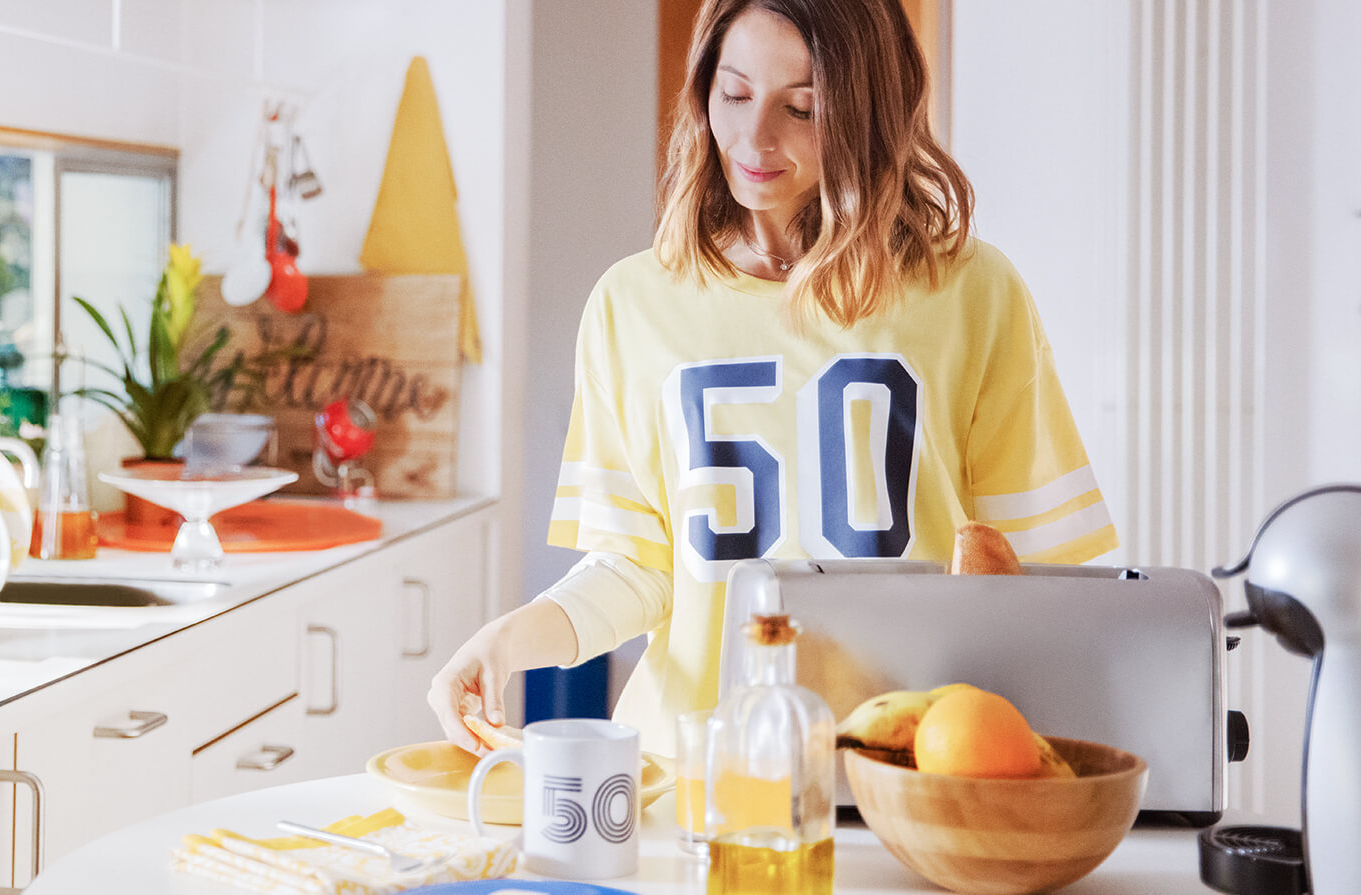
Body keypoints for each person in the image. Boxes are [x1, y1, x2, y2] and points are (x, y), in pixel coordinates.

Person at [429, 0, 1120, 758]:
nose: (755, 138)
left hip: (914, 764)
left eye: (801, 108)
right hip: (696, 771)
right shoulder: (632, 304)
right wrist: (506, 641)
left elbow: (1036, 576)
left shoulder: (973, 291)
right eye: (733, 94)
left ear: (867, 113)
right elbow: (640, 567)